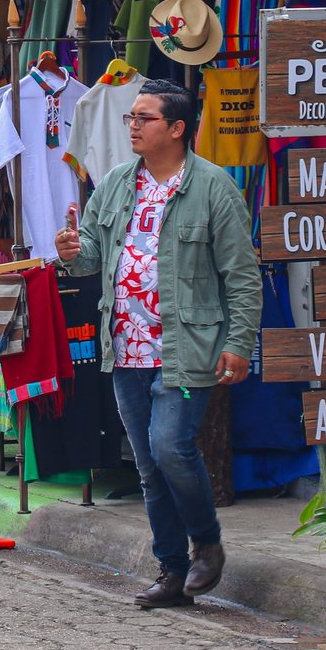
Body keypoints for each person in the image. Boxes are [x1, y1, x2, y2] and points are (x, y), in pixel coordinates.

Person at [56, 78, 260, 608]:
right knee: (147, 462)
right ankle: (171, 571)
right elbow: (91, 257)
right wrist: (70, 250)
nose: (133, 126)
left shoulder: (215, 188)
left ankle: (206, 542)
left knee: (172, 447)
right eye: (131, 118)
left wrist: (239, 343)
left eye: (144, 118)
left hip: (187, 345)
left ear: (176, 128)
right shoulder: (118, 183)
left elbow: (241, 274)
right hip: (125, 345)